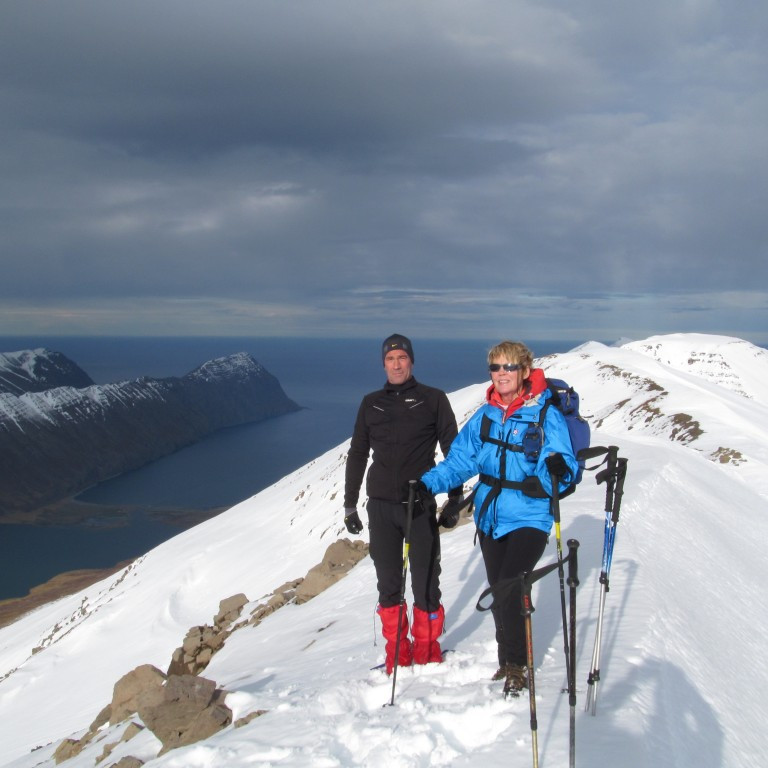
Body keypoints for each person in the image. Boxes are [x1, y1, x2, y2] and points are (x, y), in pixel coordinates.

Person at [419, 340, 577, 694]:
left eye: (508, 367)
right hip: (490, 515)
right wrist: (427, 485)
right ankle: (506, 659)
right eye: (495, 367)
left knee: (509, 586)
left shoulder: (544, 414)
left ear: (524, 370)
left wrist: (556, 465)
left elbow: (564, 461)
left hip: (530, 515)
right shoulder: (486, 415)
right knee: (499, 588)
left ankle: (520, 666)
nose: (501, 374)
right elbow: (462, 461)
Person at [344, 334, 463, 674]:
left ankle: (427, 650)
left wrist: (453, 498)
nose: (396, 364)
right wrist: (350, 505)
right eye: (390, 358)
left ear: (411, 361)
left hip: (420, 502)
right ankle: (399, 652)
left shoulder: (433, 399)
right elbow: (357, 453)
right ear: (383, 363)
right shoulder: (371, 403)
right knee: (389, 583)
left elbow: (452, 451)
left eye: (402, 358)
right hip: (380, 505)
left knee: (426, 580)